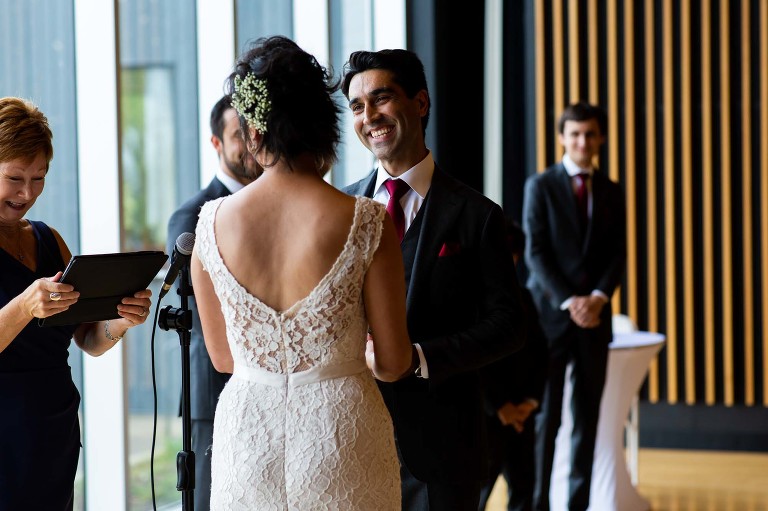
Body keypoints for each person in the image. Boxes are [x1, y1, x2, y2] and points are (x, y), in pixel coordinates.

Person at [190, 36, 415, 510]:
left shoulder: (210, 225)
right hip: (340, 434)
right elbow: (394, 364)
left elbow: (224, 359)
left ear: (254, 132)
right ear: (324, 124)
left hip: (248, 439)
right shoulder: (367, 220)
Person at [341, 49, 525, 510]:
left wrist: (419, 358)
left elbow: (509, 324)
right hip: (352, 439)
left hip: (443, 449)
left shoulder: (479, 216)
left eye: (381, 99)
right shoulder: (339, 210)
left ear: (420, 103)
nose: (370, 117)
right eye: (358, 107)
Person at [0, 97, 152, 510]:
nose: (26, 193)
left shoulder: (49, 240)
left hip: (55, 431)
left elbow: (87, 338)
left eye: (39, 177)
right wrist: (24, 306)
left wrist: (119, 323)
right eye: (14, 178)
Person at [522, 102, 626, 511]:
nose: (583, 141)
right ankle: (537, 505)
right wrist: (570, 301)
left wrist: (598, 300)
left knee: (587, 422)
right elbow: (536, 253)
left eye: (591, 134)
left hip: (595, 321)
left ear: (601, 139)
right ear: (563, 138)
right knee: (546, 420)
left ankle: (578, 506)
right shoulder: (540, 186)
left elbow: (617, 254)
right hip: (549, 320)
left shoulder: (612, 191)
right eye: (575, 133)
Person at [165, 94, 262, 510]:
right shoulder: (191, 217)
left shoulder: (274, 209)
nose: (251, 142)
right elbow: (206, 312)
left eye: (256, 131)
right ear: (216, 144)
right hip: (215, 393)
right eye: (238, 134)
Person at [479, 219, 548, 511]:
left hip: (522, 411)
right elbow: (472, 362)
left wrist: (529, 402)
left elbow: (542, 353)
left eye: (512, 254)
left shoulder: (526, 297)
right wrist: (499, 407)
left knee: (524, 490)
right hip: (485, 416)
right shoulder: (470, 300)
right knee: (478, 493)